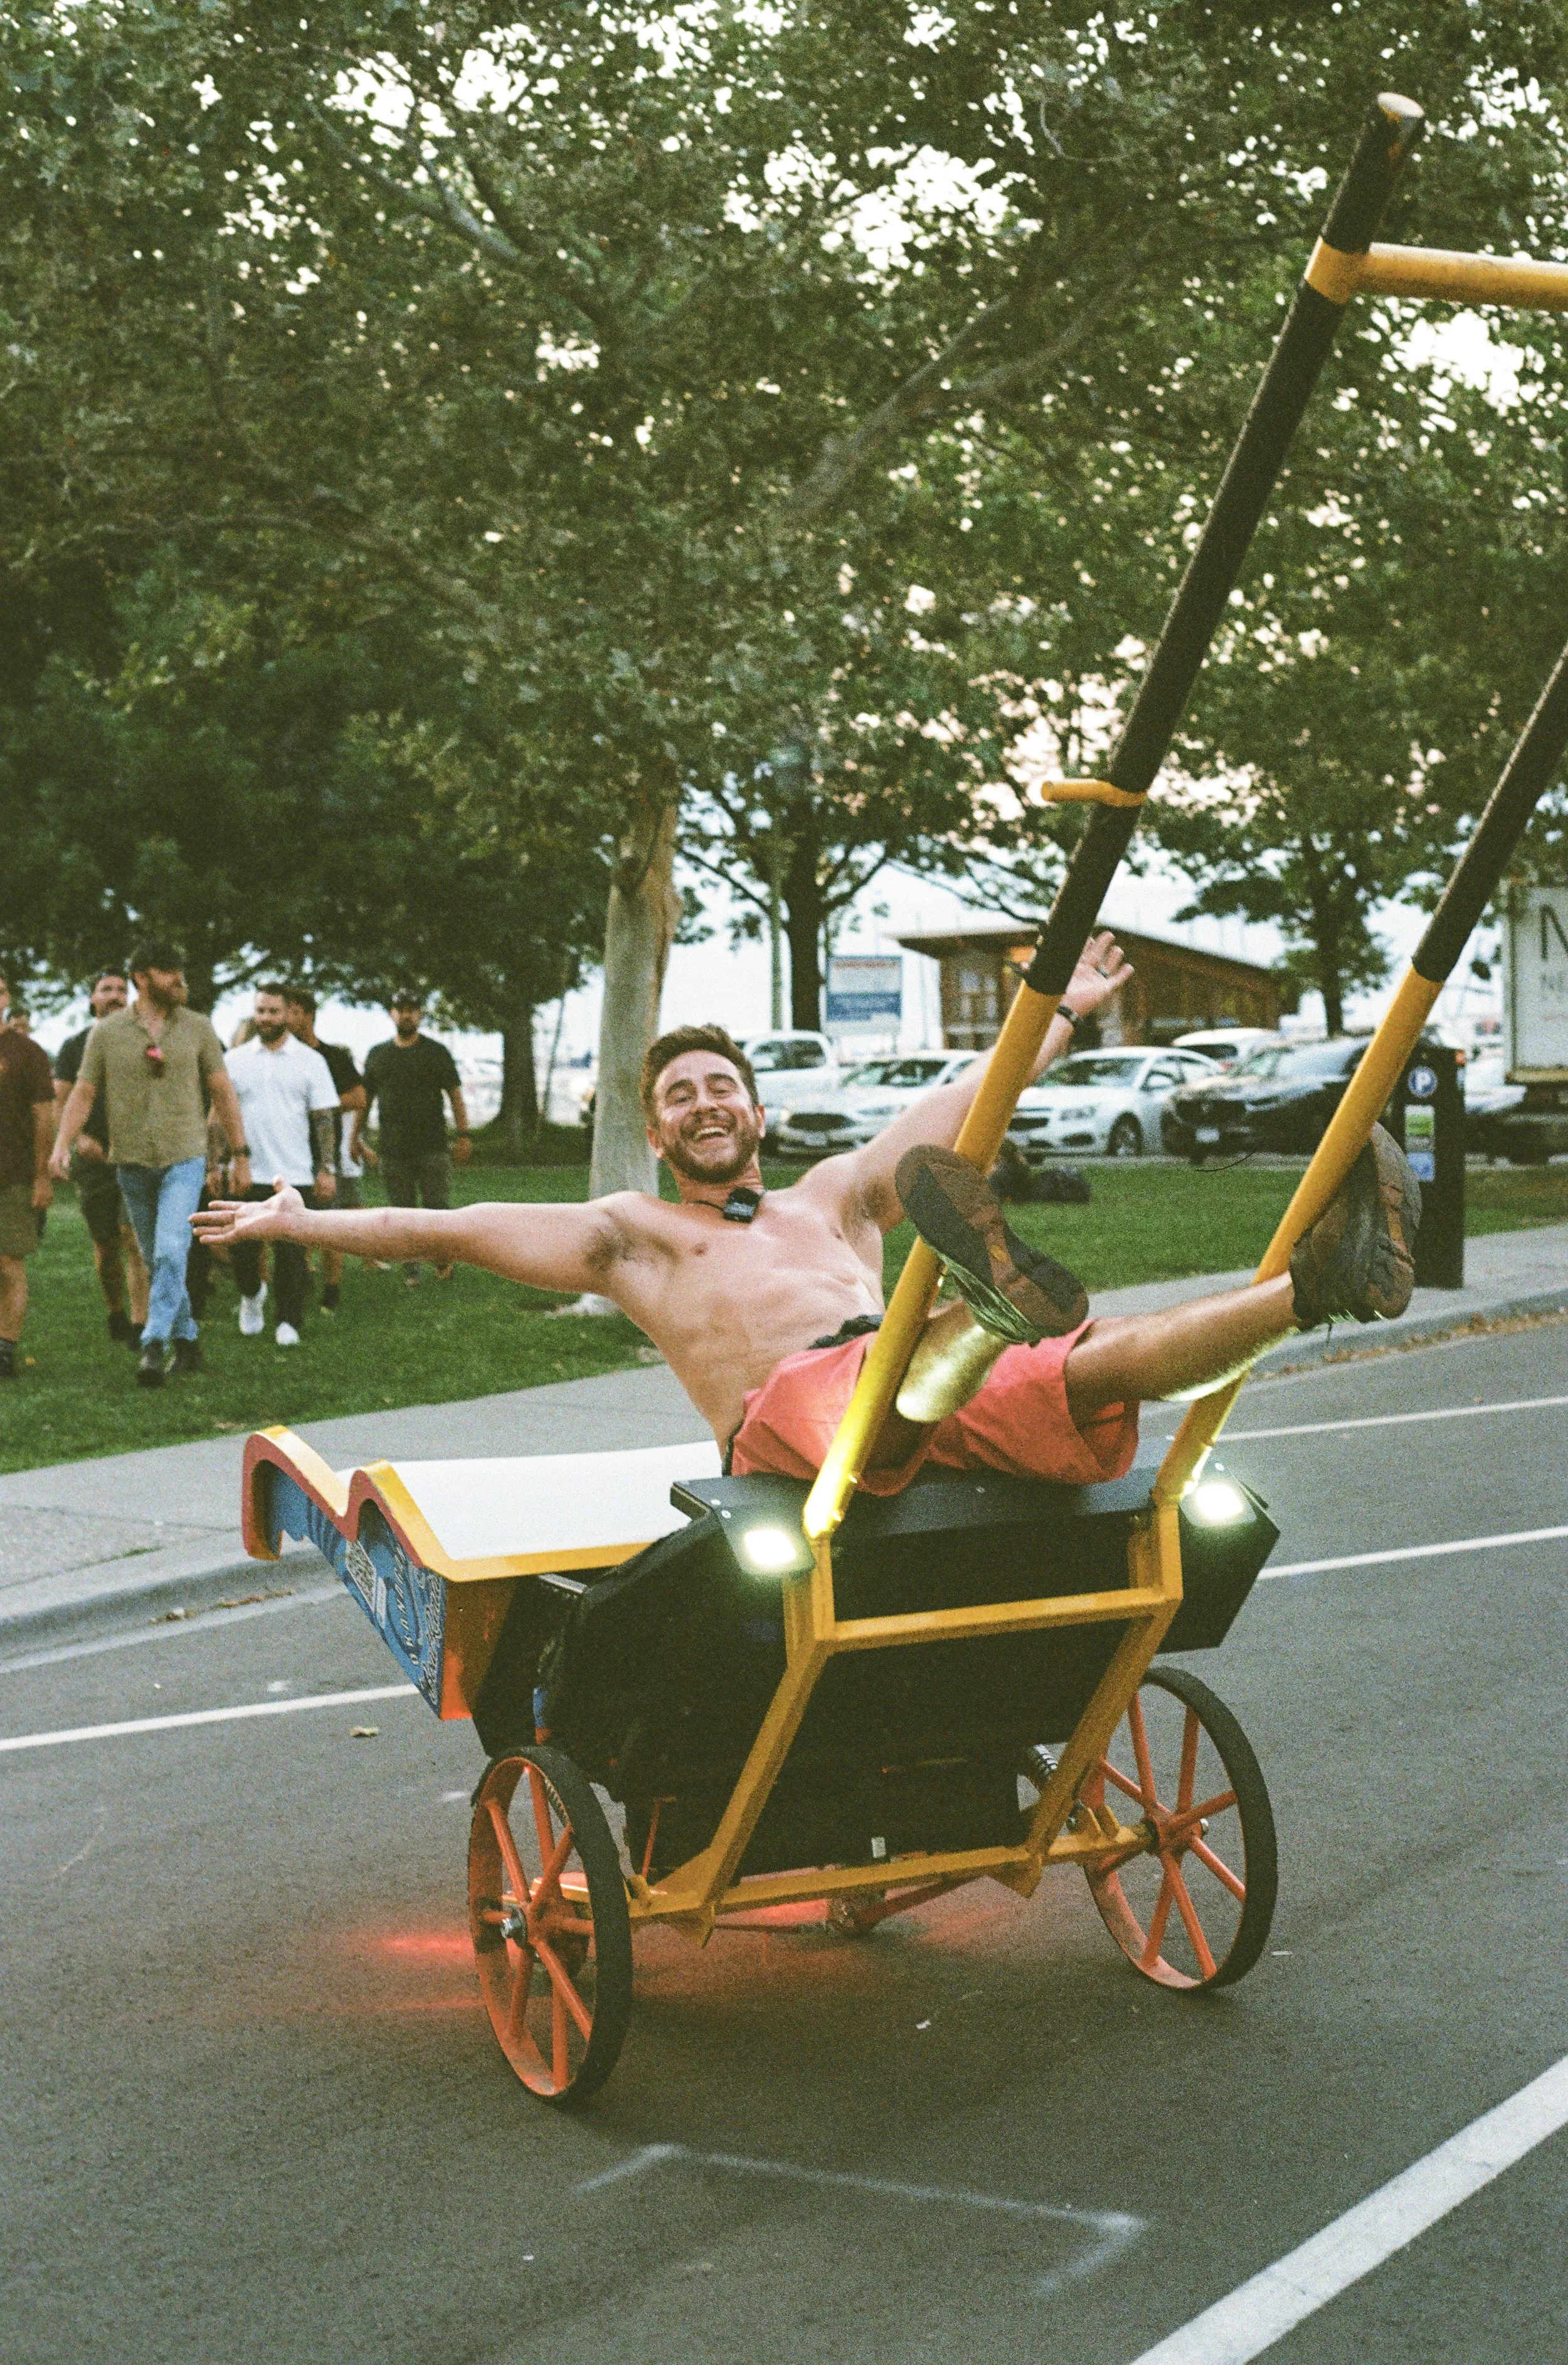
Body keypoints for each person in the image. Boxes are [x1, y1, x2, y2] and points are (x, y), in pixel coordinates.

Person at [193, 933, 1421, 1482]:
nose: (704, 1101)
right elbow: (441, 1228)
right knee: (868, 1386)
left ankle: (1310, 1287)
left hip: (897, 1372)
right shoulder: (634, 1236)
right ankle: (979, 1312)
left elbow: (960, 1101)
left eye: (721, 1084)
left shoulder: (831, 1197)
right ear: (658, 1131)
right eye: (678, 1095)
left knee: (1094, 1365)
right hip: (788, 1430)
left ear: (757, 1114)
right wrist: (300, 1219)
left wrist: (1063, 1017)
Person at [52, 942, 250, 1388]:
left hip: (185, 1156)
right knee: (154, 1254)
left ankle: (153, 1343)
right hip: (132, 1162)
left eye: (181, 970)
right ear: (143, 977)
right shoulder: (105, 1035)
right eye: (169, 971)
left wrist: (240, 1153)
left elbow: (222, 1092)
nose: (180, 979)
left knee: (168, 1249)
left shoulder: (199, 1029)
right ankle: (189, 1342)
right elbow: (82, 1093)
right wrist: (61, 1145)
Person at [224, 982, 339, 1346]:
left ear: (288, 1014)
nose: (266, 1018)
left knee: (292, 1255)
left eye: (274, 1011)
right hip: (245, 1171)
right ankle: (251, 1294)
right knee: (242, 1249)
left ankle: (288, 1320)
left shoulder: (311, 1061)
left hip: (294, 1173)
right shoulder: (235, 1060)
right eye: (260, 1011)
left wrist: (326, 1169)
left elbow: (324, 1119)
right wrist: (217, 1164)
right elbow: (218, 1116)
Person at [53, 970, 151, 1347]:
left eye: (121, 990)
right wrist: (76, 1139)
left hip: (137, 1154)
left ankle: (141, 1325)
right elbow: (61, 1102)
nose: (114, 996)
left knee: (134, 1237)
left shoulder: (144, 1040)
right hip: (93, 1158)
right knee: (106, 1243)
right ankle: (116, 1312)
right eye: (106, 990)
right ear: (92, 999)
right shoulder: (75, 1046)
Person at [358, 992, 472, 1286]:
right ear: (391, 1014)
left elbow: (455, 1096)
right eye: (400, 1009)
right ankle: (411, 1270)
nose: (406, 1015)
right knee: (401, 1212)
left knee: (437, 1208)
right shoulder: (377, 1055)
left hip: (432, 1146)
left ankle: (443, 1260)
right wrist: (356, 1137)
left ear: (420, 1014)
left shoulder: (436, 1052)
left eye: (412, 1010)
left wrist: (463, 1135)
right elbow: (365, 1101)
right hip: (393, 1149)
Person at [282, 985, 366, 1312]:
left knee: (332, 1224)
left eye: (291, 1011)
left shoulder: (333, 1057)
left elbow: (359, 1098)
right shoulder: (283, 1058)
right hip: (290, 1153)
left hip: (327, 1153)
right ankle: (301, 1282)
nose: (286, 1018)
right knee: (296, 1223)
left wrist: (319, 1106)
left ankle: (331, 1291)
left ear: (307, 1015)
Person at [0, 980, 55, 1380]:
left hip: (14, 1176)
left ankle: (4, 1349)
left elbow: (43, 1118)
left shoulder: (27, 1053)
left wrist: (42, 1176)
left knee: (8, 1265)